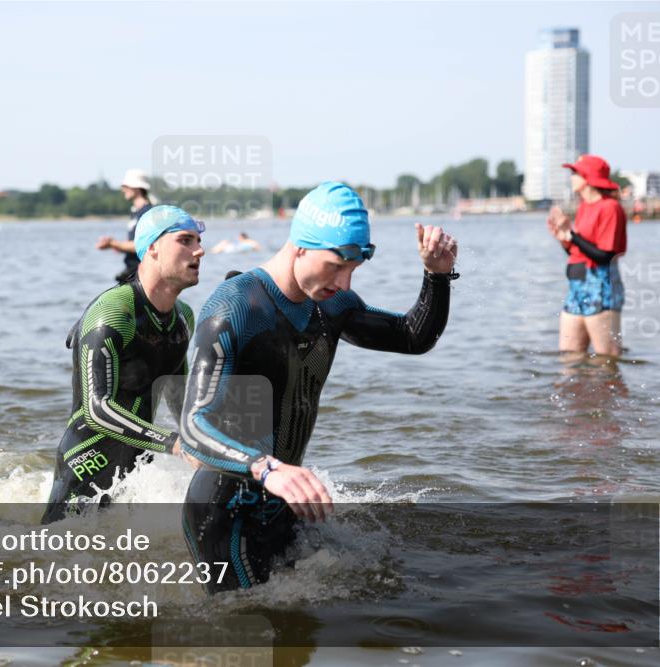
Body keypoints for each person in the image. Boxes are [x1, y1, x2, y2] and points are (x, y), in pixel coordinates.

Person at [178, 181, 458, 593]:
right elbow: (193, 425)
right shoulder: (235, 308)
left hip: (286, 501)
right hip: (224, 508)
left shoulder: (333, 305)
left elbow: (413, 337)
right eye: (336, 266)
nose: (344, 283)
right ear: (302, 246)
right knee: (248, 639)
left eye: (353, 270)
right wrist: (265, 467)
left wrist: (437, 276)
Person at [43, 205, 205, 523]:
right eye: (186, 240)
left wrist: (215, 437)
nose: (199, 250)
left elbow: (179, 396)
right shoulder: (113, 313)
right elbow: (97, 409)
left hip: (134, 465)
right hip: (86, 463)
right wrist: (173, 443)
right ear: (153, 247)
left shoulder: (184, 317)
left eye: (198, 241)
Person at [547, 155, 627, 358]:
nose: (571, 177)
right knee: (569, 356)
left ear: (588, 178)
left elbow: (605, 255)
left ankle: (611, 390)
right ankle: (577, 390)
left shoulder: (610, 207)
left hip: (600, 285)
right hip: (577, 284)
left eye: (575, 173)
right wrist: (564, 237)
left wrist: (572, 234)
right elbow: (580, 252)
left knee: (607, 357)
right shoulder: (583, 207)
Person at [96, 169, 153, 283]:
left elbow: (142, 245)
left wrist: (113, 243)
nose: (123, 189)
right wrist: (115, 246)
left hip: (142, 273)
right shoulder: (136, 212)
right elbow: (133, 244)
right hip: (133, 271)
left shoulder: (148, 213)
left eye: (126, 185)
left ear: (137, 188)